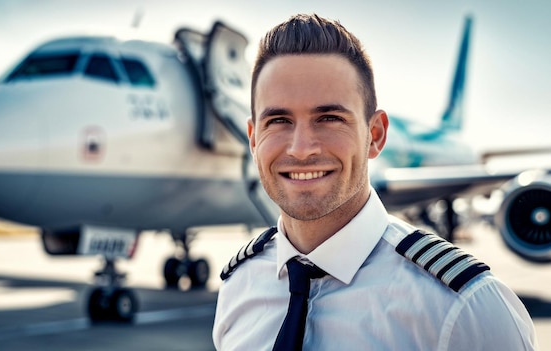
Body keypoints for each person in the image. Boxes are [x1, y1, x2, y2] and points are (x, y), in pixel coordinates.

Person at [212, 13, 538, 350]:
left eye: (329, 118)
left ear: (375, 135)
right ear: (253, 138)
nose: (301, 148)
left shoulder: (465, 310)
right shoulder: (238, 287)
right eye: (279, 120)